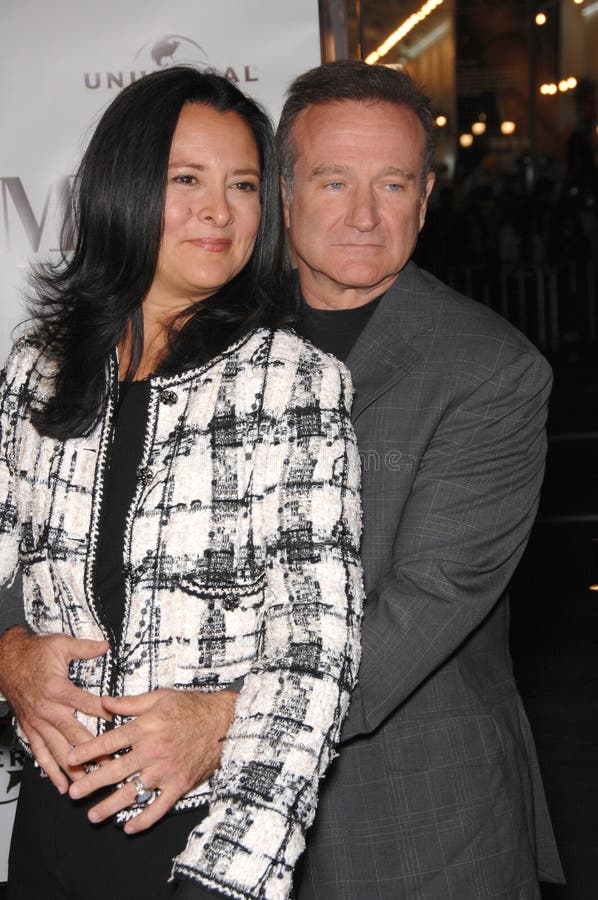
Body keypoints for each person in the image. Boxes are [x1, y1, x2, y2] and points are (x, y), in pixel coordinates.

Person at [0, 59, 565, 899]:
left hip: (404, 821)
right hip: (131, 807)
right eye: (335, 181)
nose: (367, 216)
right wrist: (12, 648)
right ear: (288, 193)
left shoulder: (488, 370)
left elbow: (429, 599)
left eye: (395, 184)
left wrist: (227, 716)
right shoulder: (198, 316)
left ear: (427, 196)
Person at [0, 65, 364, 900]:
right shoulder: (41, 369)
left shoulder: (296, 385)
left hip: (203, 835)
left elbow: (316, 654)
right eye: (186, 179)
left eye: (242, 185)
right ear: (124, 188)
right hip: (50, 832)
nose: (220, 210)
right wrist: (7, 651)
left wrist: (228, 875)